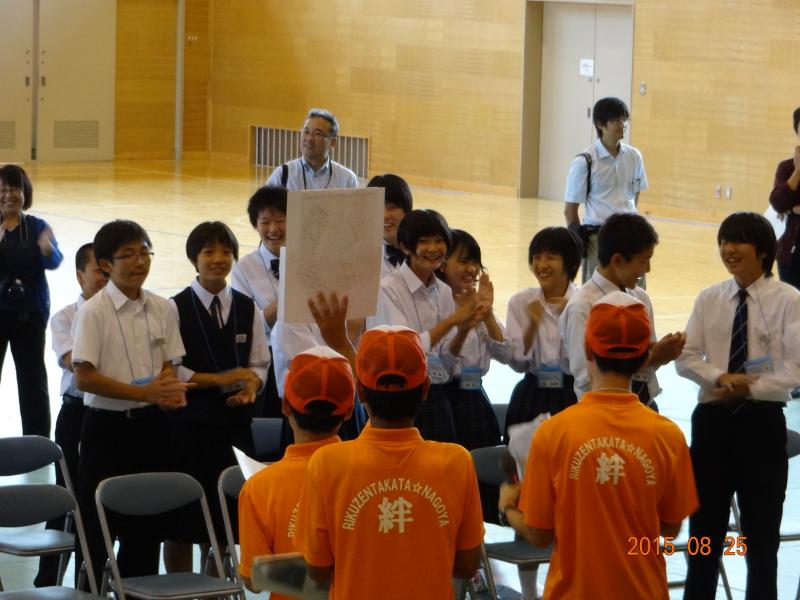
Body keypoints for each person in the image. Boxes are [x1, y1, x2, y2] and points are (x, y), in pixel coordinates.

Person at [499, 291, 699, 600]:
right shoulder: (668, 435)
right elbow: (670, 530)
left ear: (588, 350)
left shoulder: (553, 433)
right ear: (644, 355)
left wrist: (507, 507)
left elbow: (539, 534)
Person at [294, 325, 484, 599]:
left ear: (359, 392)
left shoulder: (327, 463)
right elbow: (467, 565)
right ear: (425, 390)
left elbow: (318, 569)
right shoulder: (456, 461)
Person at [676, 212, 800, 600]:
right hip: (712, 424)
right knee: (703, 536)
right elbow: (687, 357)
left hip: (761, 425)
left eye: (738, 241)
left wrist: (754, 387)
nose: (728, 249)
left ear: (764, 251)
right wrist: (718, 377)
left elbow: (796, 367)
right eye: (724, 242)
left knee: (761, 539)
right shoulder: (709, 298)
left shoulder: (790, 300)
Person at [71, 220, 188, 589]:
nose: (139, 262)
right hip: (106, 430)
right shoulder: (94, 311)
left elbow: (168, 365)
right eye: (128, 255)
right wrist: (146, 393)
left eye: (144, 252)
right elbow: (84, 377)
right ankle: (87, 593)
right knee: (95, 529)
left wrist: (169, 391)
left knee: (147, 527)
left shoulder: (163, 307)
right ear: (105, 264)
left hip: (153, 429)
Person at [164, 221, 269, 572]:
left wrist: (251, 387)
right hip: (188, 428)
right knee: (181, 524)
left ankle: (216, 592)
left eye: (226, 252)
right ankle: (178, 592)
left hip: (234, 428)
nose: (218, 259)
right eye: (209, 252)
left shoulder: (246, 306)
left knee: (226, 527)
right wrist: (221, 379)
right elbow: (174, 371)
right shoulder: (174, 308)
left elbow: (258, 364)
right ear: (194, 258)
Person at [238, 345, 355, 596]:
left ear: (285, 407)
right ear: (347, 412)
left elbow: (253, 579)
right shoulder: (369, 472)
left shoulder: (259, 487)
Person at [368, 209, 479, 441]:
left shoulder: (444, 291)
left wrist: (465, 327)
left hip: (438, 394)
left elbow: (448, 362)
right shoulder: (388, 289)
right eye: (424, 241)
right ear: (405, 247)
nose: (433, 248)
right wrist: (452, 321)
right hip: (400, 399)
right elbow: (405, 349)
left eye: (439, 241)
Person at [35, 242, 107, 586]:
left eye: (111, 271)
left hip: (110, 413)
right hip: (77, 414)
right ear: (80, 276)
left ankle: (92, 582)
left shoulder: (122, 316)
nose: (107, 278)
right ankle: (47, 581)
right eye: (99, 272)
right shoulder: (64, 317)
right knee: (67, 497)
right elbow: (76, 364)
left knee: (103, 501)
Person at [559, 213, 685, 409]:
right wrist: (652, 358)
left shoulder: (640, 298)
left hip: (643, 405)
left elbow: (646, 367)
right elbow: (586, 378)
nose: (648, 269)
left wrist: (661, 355)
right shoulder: (582, 306)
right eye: (643, 261)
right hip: (602, 411)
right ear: (617, 260)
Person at [0, 163, 63, 437]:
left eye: (14, 188)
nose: (8, 195)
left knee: (33, 381)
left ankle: (37, 442)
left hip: (29, 316)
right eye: (2, 189)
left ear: (25, 192)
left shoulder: (37, 226)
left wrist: (48, 249)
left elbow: (55, 261)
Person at [504, 226, 582, 437]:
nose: (541, 265)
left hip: (571, 393)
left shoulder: (583, 304)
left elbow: (585, 365)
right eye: (536, 257)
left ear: (570, 262)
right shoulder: (520, 302)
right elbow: (517, 363)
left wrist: (570, 318)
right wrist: (532, 323)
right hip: (531, 392)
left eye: (551, 257)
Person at [437, 229, 508, 450]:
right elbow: (439, 364)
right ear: (442, 264)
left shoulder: (479, 304)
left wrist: (486, 315)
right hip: (446, 399)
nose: (472, 269)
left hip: (476, 397)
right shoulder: (436, 306)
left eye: (476, 262)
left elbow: (507, 355)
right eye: (464, 261)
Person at [563, 97, 648, 283]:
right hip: (598, 239)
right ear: (601, 124)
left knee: (636, 294)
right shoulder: (585, 161)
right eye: (616, 120)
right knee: (597, 294)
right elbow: (570, 210)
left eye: (624, 119)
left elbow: (636, 194)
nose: (622, 124)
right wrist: (578, 240)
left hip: (630, 238)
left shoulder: (634, 157)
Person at [231, 186, 286, 422]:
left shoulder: (311, 261)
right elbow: (250, 329)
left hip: (306, 358)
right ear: (256, 225)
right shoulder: (243, 269)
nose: (273, 229)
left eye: (281, 220)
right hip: (268, 361)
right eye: (265, 222)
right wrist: (288, 294)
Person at [266, 108, 358, 190]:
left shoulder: (347, 179)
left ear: (332, 142)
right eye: (306, 132)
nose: (309, 138)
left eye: (317, 134)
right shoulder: (283, 174)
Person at [768, 106, 800, 290]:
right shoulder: (787, 168)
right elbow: (778, 203)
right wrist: (797, 171)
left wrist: (795, 208)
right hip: (791, 252)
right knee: (793, 310)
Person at [367, 173, 413, 278]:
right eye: (378, 207)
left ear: (407, 211)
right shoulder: (364, 256)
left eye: (392, 207)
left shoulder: (420, 250)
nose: (385, 215)